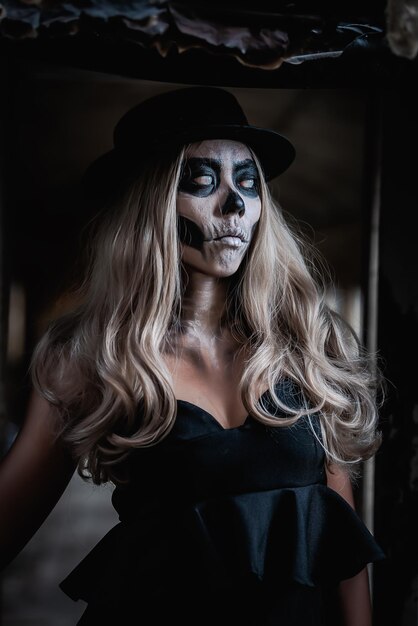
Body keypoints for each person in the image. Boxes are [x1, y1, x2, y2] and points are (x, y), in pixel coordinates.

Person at [0, 86, 385, 625]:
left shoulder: (308, 343)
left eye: (247, 184)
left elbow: (340, 538)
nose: (234, 204)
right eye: (203, 182)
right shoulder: (94, 357)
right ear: (151, 203)